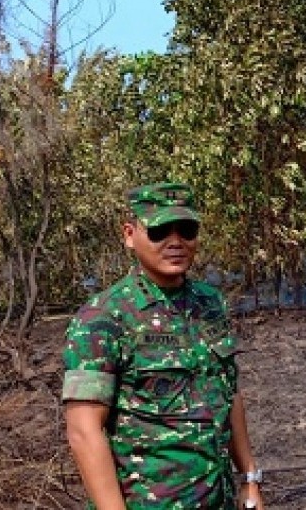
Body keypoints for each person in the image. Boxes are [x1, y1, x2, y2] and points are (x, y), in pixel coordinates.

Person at [62, 182, 264, 509]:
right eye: (159, 232)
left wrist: (249, 478)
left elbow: (230, 391)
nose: (175, 242)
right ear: (130, 235)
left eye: (186, 230)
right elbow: (84, 432)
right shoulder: (103, 319)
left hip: (219, 497)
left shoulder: (210, 303)